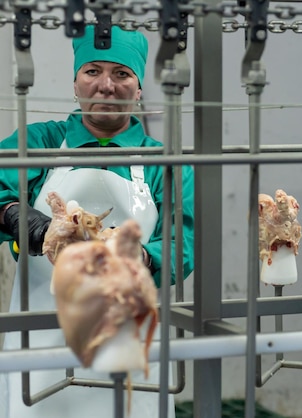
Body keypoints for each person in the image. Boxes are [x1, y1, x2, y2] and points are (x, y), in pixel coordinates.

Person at [0, 26, 194, 418]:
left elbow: (184, 244)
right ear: (75, 82)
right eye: (92, 71)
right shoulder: (39, 142)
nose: (106, 85)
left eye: (122, 74)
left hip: (130, 339)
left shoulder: (163, 161)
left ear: (139, 89)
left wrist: (136, 256)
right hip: (44, 342)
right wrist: (36, 228)